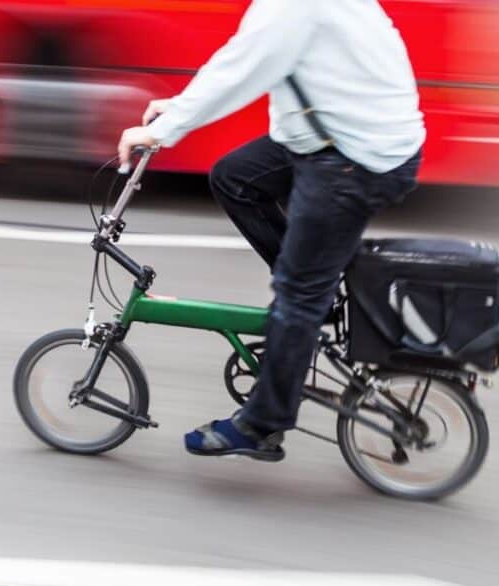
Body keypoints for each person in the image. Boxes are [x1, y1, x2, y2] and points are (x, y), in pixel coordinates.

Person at [117, 0, 425, 462]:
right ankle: (310, 299)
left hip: (354, 156)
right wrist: (180, 108)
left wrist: (167, 129)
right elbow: (245, 55)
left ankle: (263, 424)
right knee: (235, 178)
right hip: (335, 136)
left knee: (296, 294)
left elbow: (243, 68)